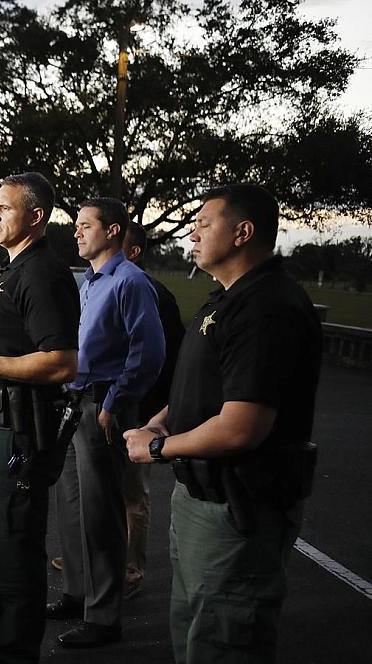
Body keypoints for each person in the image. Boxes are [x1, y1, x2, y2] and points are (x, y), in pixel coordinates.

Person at [124, 184, 321, 664]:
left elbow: (241, 427)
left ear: (243, 232)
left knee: (224, 638)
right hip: (202, 497)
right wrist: (162, 420)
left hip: (238, 507)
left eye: (204, 223)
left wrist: (156, 450)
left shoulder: (266, 307)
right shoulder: (227, 300)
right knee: (196, 627)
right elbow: (209, 386)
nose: (192, 232)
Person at [0, 172, 80, 664]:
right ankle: (1, 640)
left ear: (36, 216)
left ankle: (12, 650)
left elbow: (62, 361)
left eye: (3, 207)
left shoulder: (42, 272)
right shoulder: (15, 270)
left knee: (14, 539)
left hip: (23, 431)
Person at [48, 198, 164, 649]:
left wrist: (115, 402)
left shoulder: (130, 282)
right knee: (74, 506)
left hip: (104, 405)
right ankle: (77, 594)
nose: (76, 232)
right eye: (75, 226)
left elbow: (149, 352)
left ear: (113, 231)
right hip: (77, 401)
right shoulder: (90, 281)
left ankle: (103, 617)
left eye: (85, 226)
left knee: (101, 514)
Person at [120, 221, 184, 599]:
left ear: (135, 251)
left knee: (132, 495)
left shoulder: (156, 295)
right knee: (100, 488)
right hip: (111, 406)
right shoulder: (108, 286)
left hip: (142, 410)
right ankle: (96, 555)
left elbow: (168, 361)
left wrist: (156, 417)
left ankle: (131, 568)